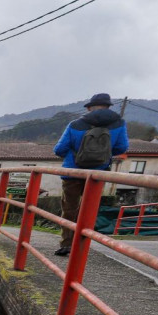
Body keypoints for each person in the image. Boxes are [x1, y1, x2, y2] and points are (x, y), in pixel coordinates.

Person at [52, 93, 129, 256]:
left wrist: (76, 154)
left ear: (89, 108)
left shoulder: (75, 124)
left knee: (69, 208)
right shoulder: (119, 124)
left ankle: (66, 243)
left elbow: (59, 150)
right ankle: (81, 245)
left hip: (72, 171)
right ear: (108, 107)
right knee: (87, 209)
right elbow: (122, 147)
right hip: (97, 174)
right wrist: (103, 155)